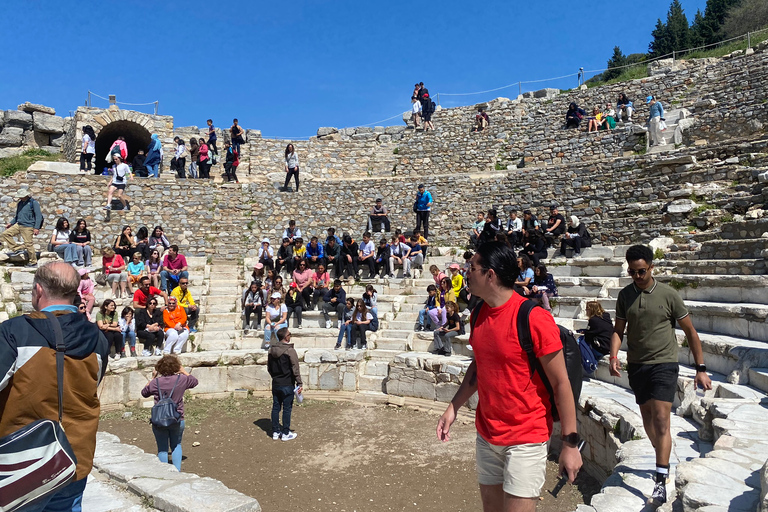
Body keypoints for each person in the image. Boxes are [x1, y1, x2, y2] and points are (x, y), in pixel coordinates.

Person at [436, 242, 583, 511]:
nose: (467, 272)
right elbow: (479, 366)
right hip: (487, 434)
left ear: (490, 274)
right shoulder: (479, 313)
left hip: (526, 436)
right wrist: (453, 407)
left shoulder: (534, 318)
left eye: (472, 268)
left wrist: (570, 444)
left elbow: (561, 383)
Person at [0, 261, 108, 509]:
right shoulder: (98, 339)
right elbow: (93, 384)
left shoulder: (13, 332)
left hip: (21, 461)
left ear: (38, 290)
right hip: (73, 459)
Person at [609, 244, 711, 505]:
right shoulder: (625, 296)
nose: (637, 276)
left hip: (664, 363)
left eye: (641, 271)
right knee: (647, 418)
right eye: (632, 272)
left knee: (662, 419)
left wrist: (700, 369)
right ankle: (661, 456)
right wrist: (613, 356)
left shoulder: (668, 295)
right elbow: (618, 330)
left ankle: (660, 480)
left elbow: (690, 331)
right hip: (637, 365)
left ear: (651, 267)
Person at [141, 354, 199, 470]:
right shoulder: (182, 379)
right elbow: (194, 382)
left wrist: (153, 377)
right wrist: (183, 371)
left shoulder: (155, 382)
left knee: (162, 448)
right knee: (176, 445)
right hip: (177, 417)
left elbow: (144, 393)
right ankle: (176, 471)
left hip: (159, 419)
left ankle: (164, 473)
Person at [268, 327, 302, 441]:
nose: (290, 336)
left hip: (276, 383)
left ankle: (275, 431)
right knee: (287, 409)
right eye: (289, 334)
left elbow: (269, 368)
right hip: (287, 383)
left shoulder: (271, 350)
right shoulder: (290, 351)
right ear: (286, 337)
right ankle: (286, 433)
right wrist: (299, 382)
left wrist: (275, 377)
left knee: (276, 407)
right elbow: (295, 368)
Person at [2, 188, 43, 267]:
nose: (20, 198)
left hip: (28, 226)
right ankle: (16, 249)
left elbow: (39, 216)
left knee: (28, 244)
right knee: (5, 234)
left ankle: (33, 262)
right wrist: (11, 223)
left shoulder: (33, 203)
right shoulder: (20, 203)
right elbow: (17, 216)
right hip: (19, 224)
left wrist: (36, 228)